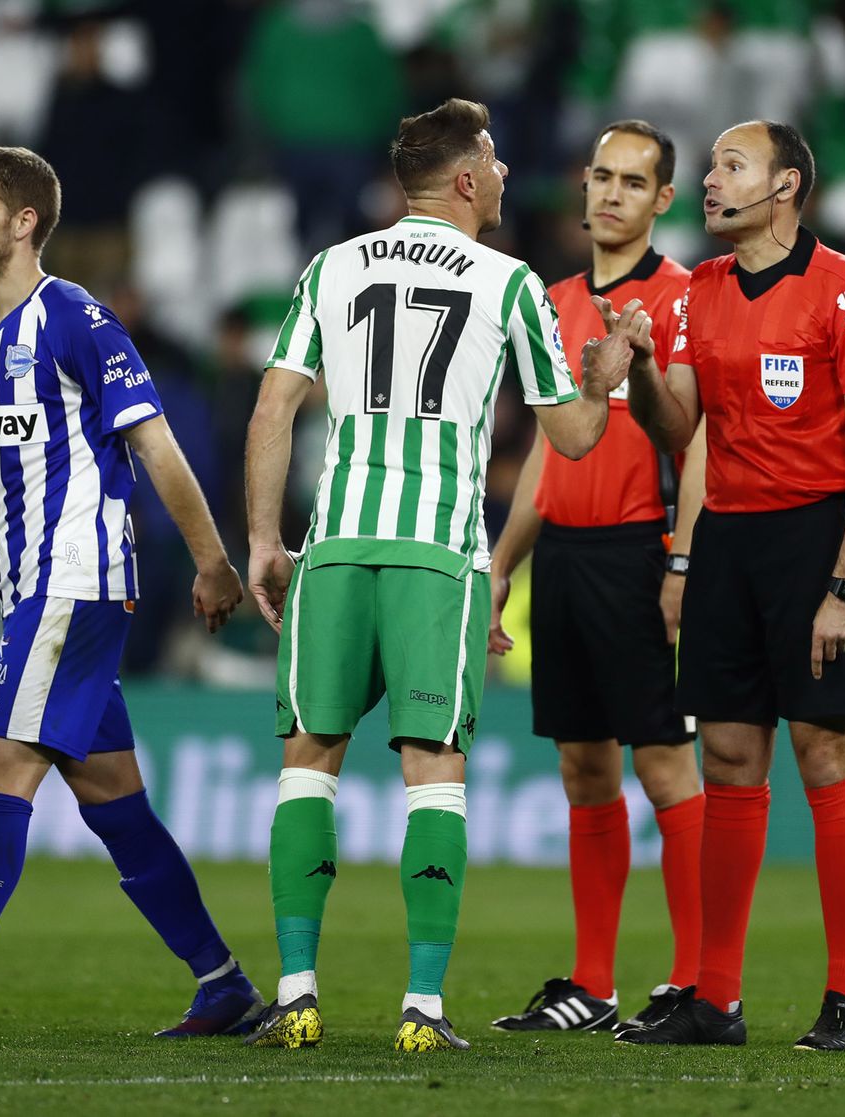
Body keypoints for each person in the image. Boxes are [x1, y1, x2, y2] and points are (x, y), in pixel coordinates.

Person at [0, 146, 261, 1040]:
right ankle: (223, 982)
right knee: (114, 802)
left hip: (78, 581)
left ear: (24, 223)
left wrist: (213, 561)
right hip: (39, 591)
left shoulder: (76, 318)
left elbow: (158, 447)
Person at [243, 98, 641, 1053]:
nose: (505, 174)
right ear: (465, 179)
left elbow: (274, 405)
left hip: (334, 545)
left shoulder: (331, 266)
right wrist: (609, 371)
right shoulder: (511, 284)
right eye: (495, 159)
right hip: (440, 556)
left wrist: (264, 537)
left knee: (308, 764)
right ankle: (421, 1008)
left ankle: (296, 994)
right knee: (434, 775)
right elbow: (577, 438)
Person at [615, 121, 845, 1051]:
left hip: (814, 540)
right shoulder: (698, 290)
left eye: (729, 166)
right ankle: (717, 999)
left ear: (785, 186)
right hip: (727, 540)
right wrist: (647, 369)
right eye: (708, 168)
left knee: (825, 755)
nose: (708, 180)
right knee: (730, 759)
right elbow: (678, 431)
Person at [486, 120, 706, 1036]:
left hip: (641, 551)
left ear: (664, 201)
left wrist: (683, 563)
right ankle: (591, 982)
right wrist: (504, 562)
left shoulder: (686, 298)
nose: (611, 195)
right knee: (583, 767)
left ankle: (696, 977)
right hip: (567, 559)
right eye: (601, 178)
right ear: (583, 187)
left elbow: (699, 442)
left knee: (663, 765)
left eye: (634, 182)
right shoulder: (551, 298)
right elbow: (546, 447)